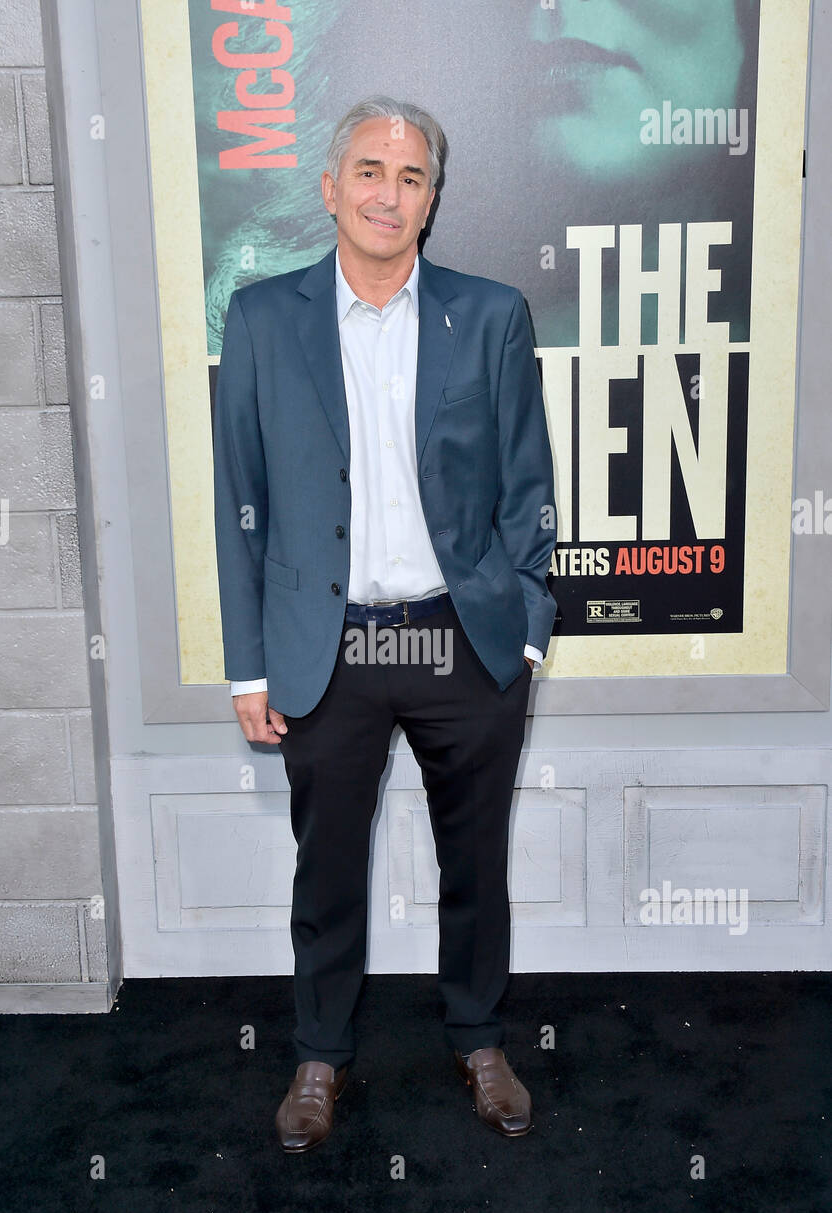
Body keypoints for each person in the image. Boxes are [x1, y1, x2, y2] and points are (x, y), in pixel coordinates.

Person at [212, 96, 557, 1153]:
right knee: (324, 869)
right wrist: (245, 666)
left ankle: (479, 1037)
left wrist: (526, 628)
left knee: (475, 859)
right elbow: (240, 500)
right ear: (329, 189)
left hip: (462, 640)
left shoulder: (489, 315)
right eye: (368, 171)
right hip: (328, 649)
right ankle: (320, 1056)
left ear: (431, 199)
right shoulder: (263, 319)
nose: (386, 194)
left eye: (409, 178)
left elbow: (527, 487)